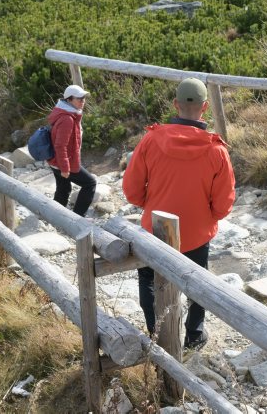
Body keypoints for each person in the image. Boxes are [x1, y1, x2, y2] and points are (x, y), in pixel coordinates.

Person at [122, 78, 236, 350]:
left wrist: (150, 202)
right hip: (196, 233)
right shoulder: (217, 150)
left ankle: (156, 333)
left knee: (149, 280)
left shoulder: (151, 139)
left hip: (156, 231)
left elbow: (132, 190)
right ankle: (194, 334)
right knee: (198, 280)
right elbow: (223, 205)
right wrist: (205, 216)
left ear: (175, 104)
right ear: (205, 107)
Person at [47, 84, 96, 216]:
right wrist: (65, 168)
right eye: (79, 99)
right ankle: (77, 218)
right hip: (62, 162)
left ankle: (55, 218)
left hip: (55, 161)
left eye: (84, 99)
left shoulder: (64, 112)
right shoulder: (67, 119)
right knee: (90, 183)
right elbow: (60, 145)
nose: (83, 102)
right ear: (69, 100)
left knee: (63, 189)